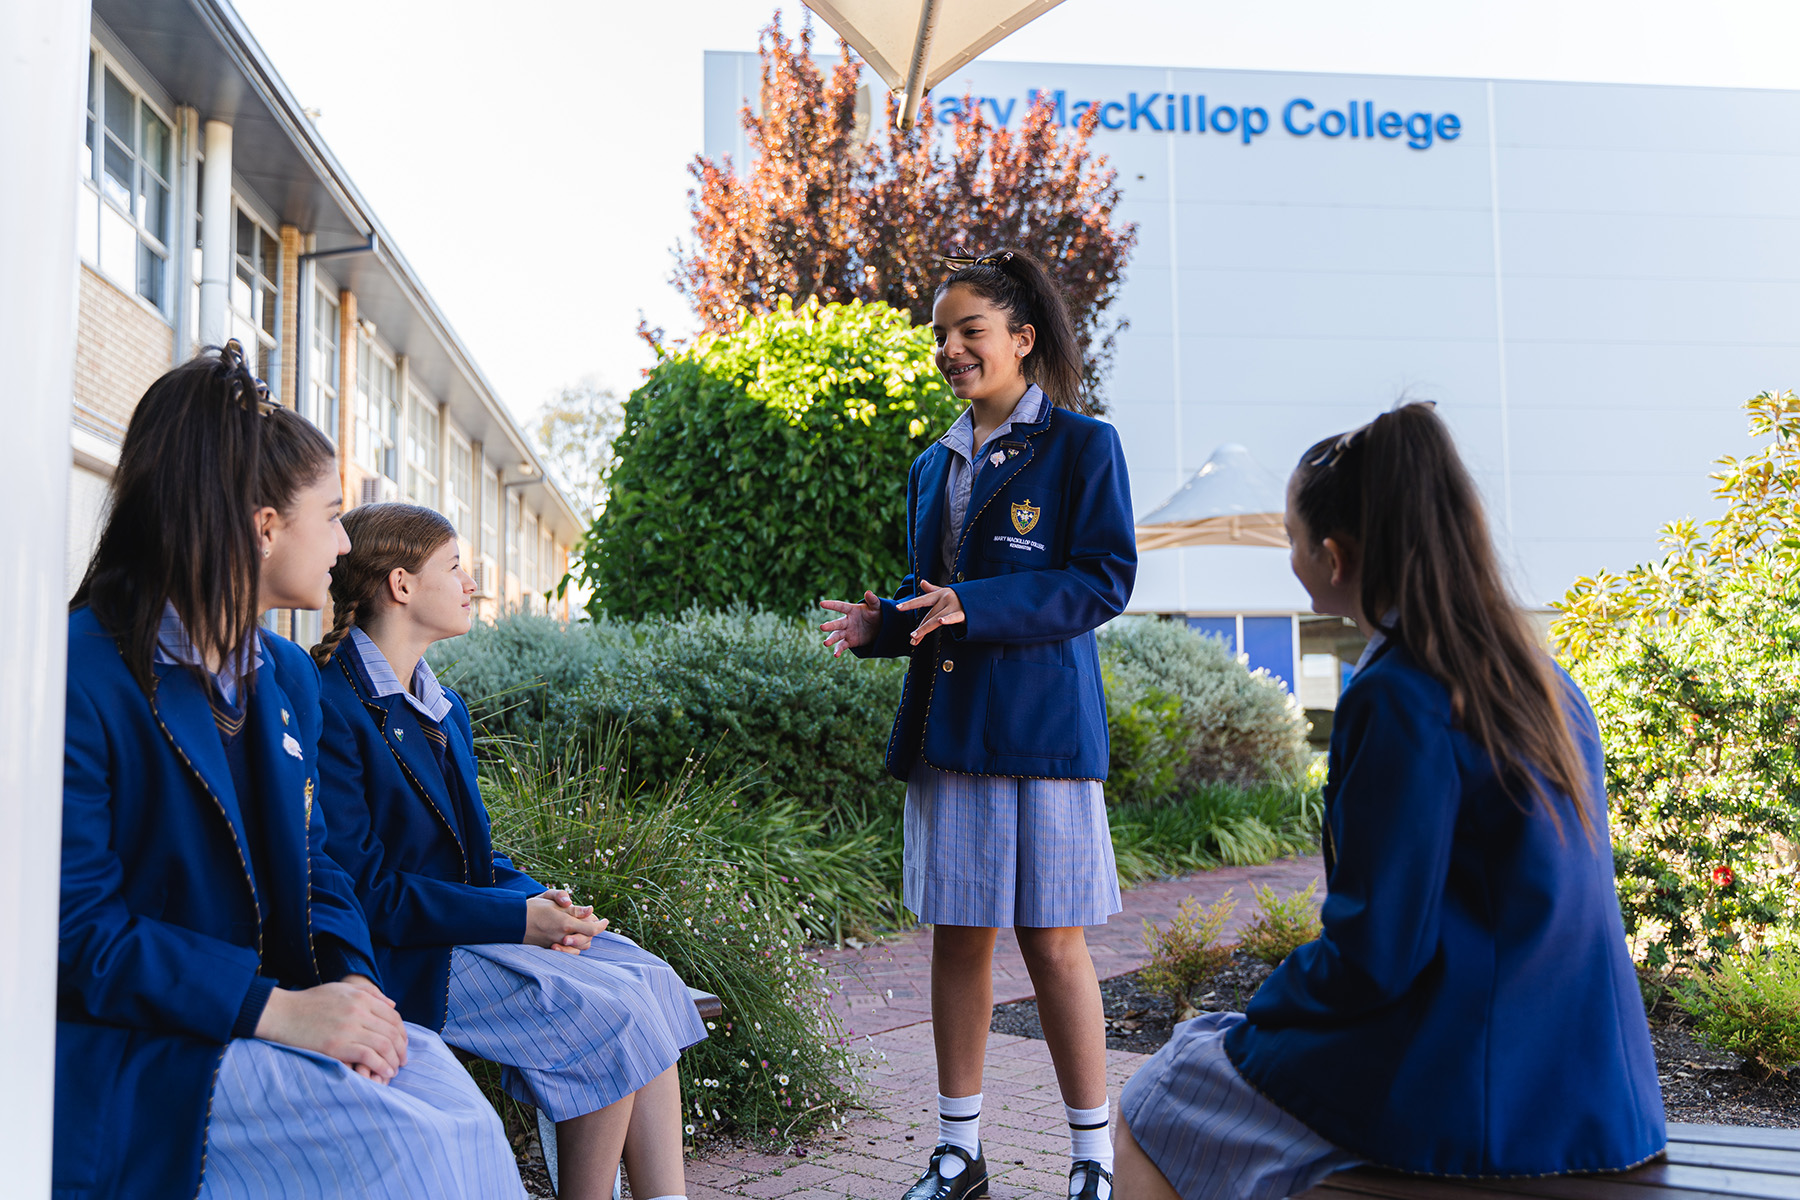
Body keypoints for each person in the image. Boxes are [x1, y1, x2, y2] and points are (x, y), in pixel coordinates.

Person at [1112, 403, 1667, 1200]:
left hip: (1478, 1100)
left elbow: (1377, 955)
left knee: (1159, 1092)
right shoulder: (1544, 683)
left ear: (1335, 557)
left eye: (1291, 542)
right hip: (1602, 1096)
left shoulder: (1397, 694)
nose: (1290, 560)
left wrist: (1265, 1002)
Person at [59, 344, 523, 1200]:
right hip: (146, 1050)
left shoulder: (282, 673)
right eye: (333, 513)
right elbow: (79, 932)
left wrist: (354, 987)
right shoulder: (79, 674)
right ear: (264, 526)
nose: (344, 540)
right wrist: (279, 1011)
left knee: (462, 1123)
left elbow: (319, 868)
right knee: (413, 1155)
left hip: (276, 1010)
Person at [820, 249, 1137, 1200]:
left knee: (1053, 942)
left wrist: (978, 606)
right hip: (950, 732)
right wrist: (887, 622)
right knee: (959, 936)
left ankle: (1092, 1159)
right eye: (940, 334)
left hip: (1042, 732)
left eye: (971, 331)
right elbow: (937, 599)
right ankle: (959, 1154)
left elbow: (1103, 581)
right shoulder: (932, 464)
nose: (952, 349)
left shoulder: (1084, 446)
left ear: (1022, 340)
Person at [310, 501, 706, 1200]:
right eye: (456, 568)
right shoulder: (332, 704)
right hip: (405, 955)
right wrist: (520, 921)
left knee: (651, 983)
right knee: (608, 1019)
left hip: (470, 928)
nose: (472, 585)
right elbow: (370, 894)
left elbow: (475, 858)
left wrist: (539, 900)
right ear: (401, 585)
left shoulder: (441, 705)